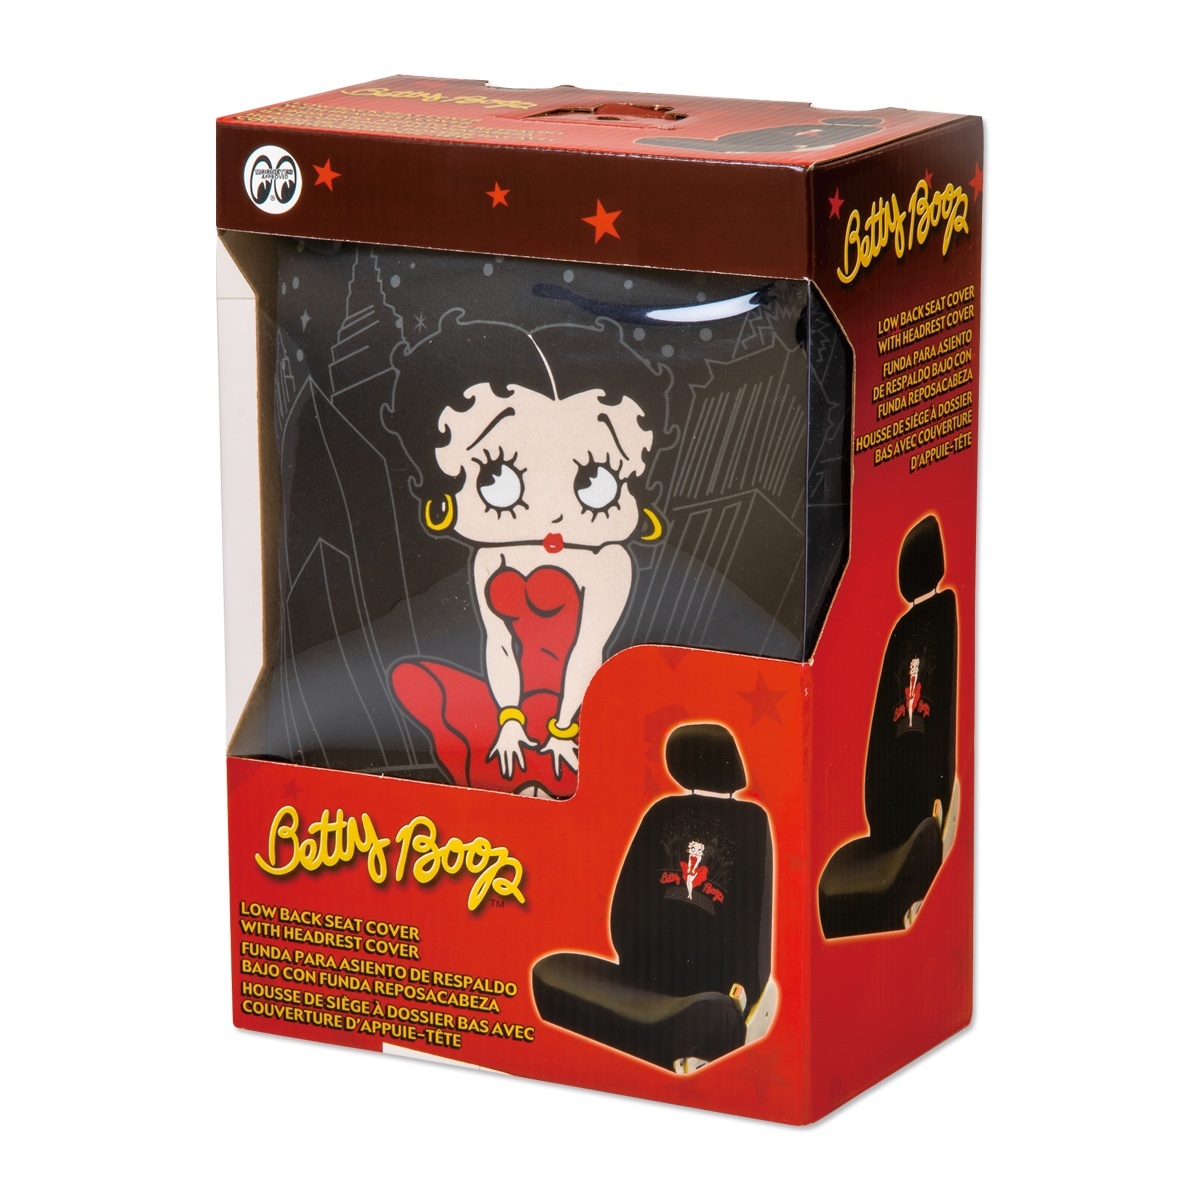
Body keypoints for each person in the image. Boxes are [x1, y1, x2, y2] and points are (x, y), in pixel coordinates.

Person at [384, 311, 669, 799]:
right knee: (418, 687)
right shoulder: (491, 558)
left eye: (595, 479)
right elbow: (498, 643)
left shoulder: (608, 561)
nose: (554, 511)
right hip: (510, 706)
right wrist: (511, 721)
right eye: (497, 479)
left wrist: (562, 729)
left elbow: (590, 650)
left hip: (579, 708)